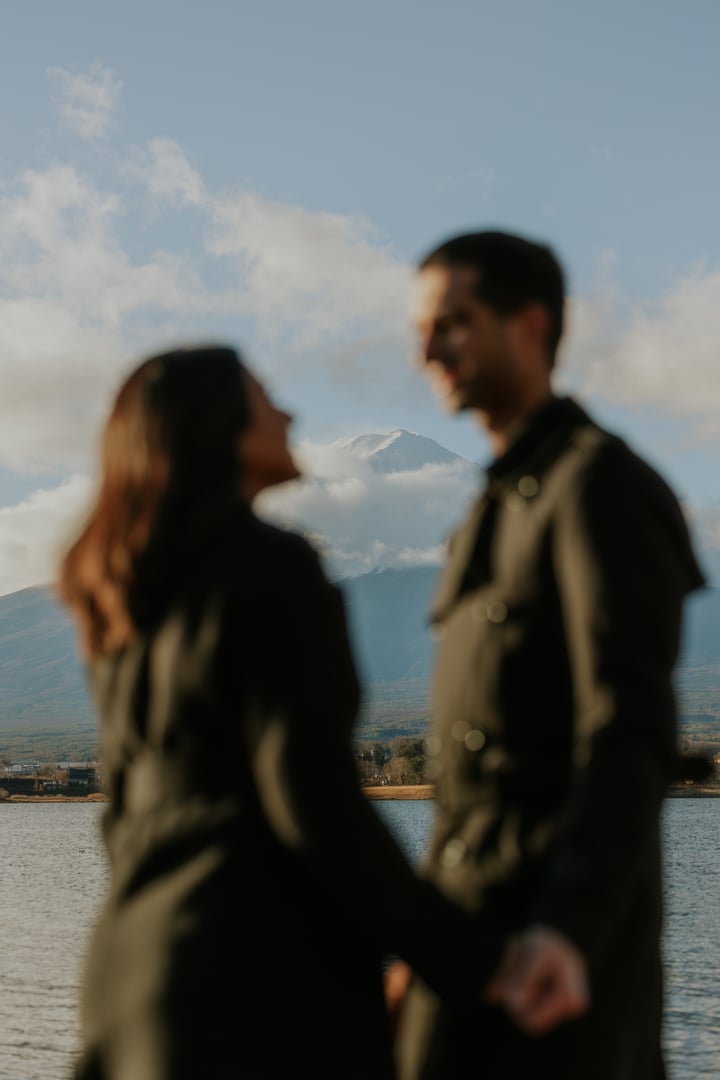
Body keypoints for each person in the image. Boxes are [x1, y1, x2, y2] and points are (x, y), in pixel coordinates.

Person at [59, 344, 498, 1080]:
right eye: (266, 399)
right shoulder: (271, 569)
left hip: (131, 971)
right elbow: (313, 801)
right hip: (252, 988)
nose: (291, 413)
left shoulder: (120, 596)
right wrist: (466, 959)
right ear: (220, 429)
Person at [391, 232, 705, 1079]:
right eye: (423, 327)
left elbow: (630, 729)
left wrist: (567, 926)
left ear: (531, 326)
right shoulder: (486, 513)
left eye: (454, 323)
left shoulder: (601, 486)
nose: (427, 349)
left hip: (548, 974)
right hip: (466, 948)